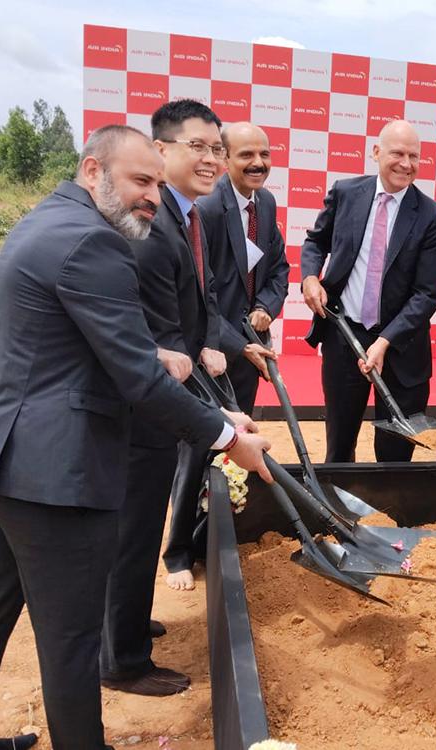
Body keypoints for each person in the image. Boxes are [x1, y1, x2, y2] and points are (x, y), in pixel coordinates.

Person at [0, 125, 270, 750]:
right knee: (70, 640)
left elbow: (59, 336)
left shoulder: (45, 220)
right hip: (52, 474)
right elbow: (139, 385)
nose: (152, 196)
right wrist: (227, 436)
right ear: (92, 170)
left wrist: (152, 354)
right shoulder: (96, 243)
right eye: (140, 181)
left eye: (156, 182)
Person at [99, 100, 228, 696]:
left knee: (138, 524)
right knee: (133, 529)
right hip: (142, 412)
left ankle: (123, 624)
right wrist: (215, 416)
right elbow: (161, 341)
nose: (211, 159)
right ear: (163, 149)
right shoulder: (153, 231)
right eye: (197, 146)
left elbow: (188, 318)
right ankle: (121, 657)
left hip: (159, 396)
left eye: (216, 149)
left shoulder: (187, 218)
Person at [163, 122, 287, 591]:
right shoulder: (207, 210)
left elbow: (276, 267)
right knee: (197, 447)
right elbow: (202, 294)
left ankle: (206, 536)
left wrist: (264, 310)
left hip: (249, 345)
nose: (258, 163)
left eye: (265, 154)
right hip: (210, 348)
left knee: (236, 445)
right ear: (227, 159)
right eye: (245, 155)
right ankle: (177, 552)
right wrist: (233, 342)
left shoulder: (267, 203)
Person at [300, 119, 436, 462]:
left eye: (414, 156)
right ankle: (338, 512)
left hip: (401, 347)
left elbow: (427, 293)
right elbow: (315, 241)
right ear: (377, 151)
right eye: (398, 152)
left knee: (395, 451)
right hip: (344, 337)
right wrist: (310, 277)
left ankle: (390, 515)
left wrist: (385, 341)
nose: (406, 163)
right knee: (339, 445)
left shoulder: (432, 217)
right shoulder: (346, 193)